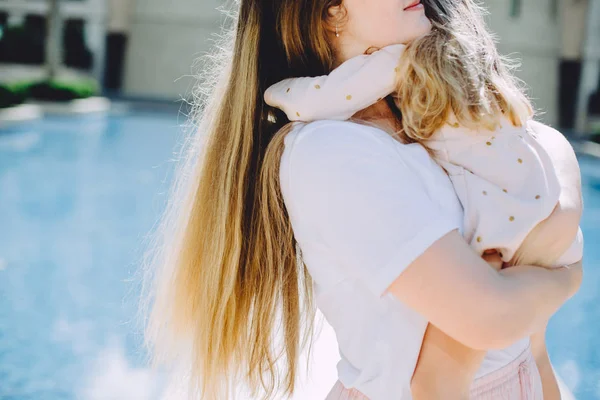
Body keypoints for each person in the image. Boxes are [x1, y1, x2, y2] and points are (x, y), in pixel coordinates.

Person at [142, 0, 583, 399]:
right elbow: (488, 316)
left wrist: (540, 260)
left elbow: (527, 334)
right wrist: (565, 278)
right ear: (330, 11)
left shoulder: (430, 112)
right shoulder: (331, 150)